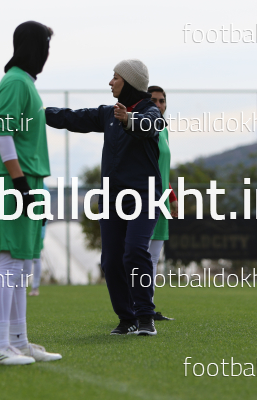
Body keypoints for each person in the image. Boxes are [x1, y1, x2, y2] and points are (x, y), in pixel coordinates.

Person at [45, 59, 165, 336]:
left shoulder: (150, 111)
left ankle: (145, 316)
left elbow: (150, 125)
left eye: (116, 77)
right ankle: (127, 318)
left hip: (143, 197)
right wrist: (38, 113)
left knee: (134, 252)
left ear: (130, 82)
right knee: (111, 261)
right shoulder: (108, 113)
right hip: (111, 200)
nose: (110, 82)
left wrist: (129, 120)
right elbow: (71, 117)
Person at [0, 21, 61, 365]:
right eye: (45, 45)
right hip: (14, 183)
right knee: (10, 262)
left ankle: (19, 342)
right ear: (33, 47)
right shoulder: (15, 82)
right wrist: (21, 185)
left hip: (25, 181)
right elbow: (3, 132)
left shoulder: (25, 82)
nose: (47, 53)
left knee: (21, 264)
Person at [147, 86, 177, 321]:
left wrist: (172, 198)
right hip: (143, 201)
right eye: (154, 101)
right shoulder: (143, 130)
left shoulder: (164, 130)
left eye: (162, 101)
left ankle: (147, 307)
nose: (159, 105)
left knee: (153, 259)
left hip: (162, 202)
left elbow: (162, 171)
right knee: (139, 257)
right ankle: (134, 308)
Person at [29, 183, 49, 296]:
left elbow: (45, 211)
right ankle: (20, 286)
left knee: (36, 258)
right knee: (23, 259)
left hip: (38, 230)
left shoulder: (43, 187)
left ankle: (35, 287)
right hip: (25, 229)